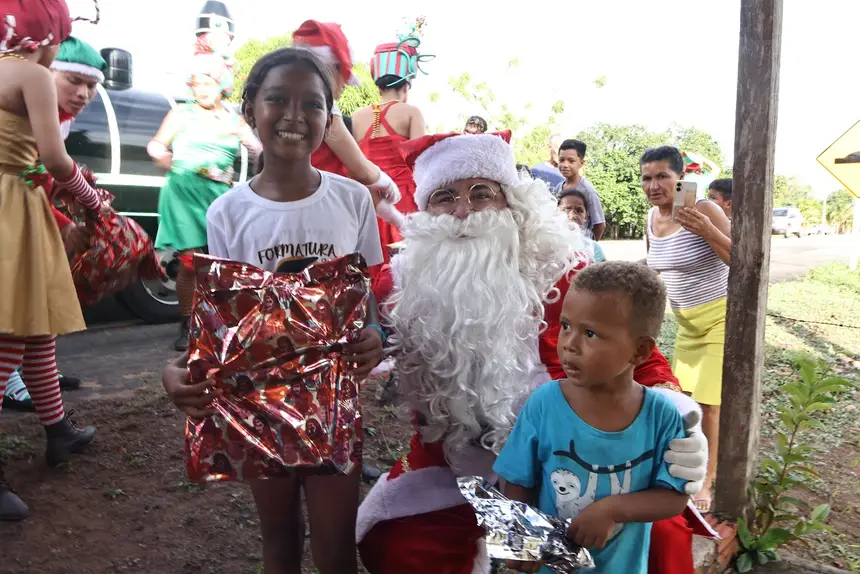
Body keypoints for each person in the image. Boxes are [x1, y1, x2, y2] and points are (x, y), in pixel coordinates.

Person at [356, 132, 708, 574]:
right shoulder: (404, 284)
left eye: (480, 193)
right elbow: (362, 335)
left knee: (662, 535)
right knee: (395, 539)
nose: (463, 212)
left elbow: (641, 358)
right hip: (457, 465)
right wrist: (370, 335)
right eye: (445, 198)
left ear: (512, 202)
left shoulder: (564, 271)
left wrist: (680, 422)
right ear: (426, 213)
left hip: (569, 462)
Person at [161, 48, 385, 573]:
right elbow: (220, 322)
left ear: (329, 118)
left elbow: (364, 294)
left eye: (313, 104)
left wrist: (374, 332)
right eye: (278, 99)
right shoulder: (228, 212)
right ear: (250, 110)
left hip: (334, 403)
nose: (294, 115)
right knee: (279, 537)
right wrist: (178, 371)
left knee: (336, 547)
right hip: (258, 403)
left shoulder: (353, 201)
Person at [495, 262, 689, 573]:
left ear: (640, 351)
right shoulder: (544, 405)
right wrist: (521, 540)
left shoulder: (660, 416)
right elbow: (518, 481)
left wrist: (612, 509)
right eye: (565, 326)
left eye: (590, 333)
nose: (569, 344)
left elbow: (673, 497)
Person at [0, 0, 104, 521]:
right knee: (8, 337)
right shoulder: (33, 75)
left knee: (36, 329)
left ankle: (58, 429)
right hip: (11, 210)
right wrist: (91, 200)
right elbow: (55, 157)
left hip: (16, 202)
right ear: (48, 36)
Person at [147, 50, 261, 352]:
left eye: (207, 83)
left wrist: (261, 156)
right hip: (182, 193)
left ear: (221, 84)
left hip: (219, 196)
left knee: (222, 262)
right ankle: (188, 325)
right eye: (196, 84)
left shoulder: (235, 120)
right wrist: (163, 157)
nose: (201, 90)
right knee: (190, 263)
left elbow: (259, 151)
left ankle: (220, 323)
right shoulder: (181, 114)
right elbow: (156, 145)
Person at [641, 146, 731, 512]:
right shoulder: (651, 218)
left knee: (709, 406)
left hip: (720, 318)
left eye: (662, 176)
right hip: (685, 326)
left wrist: (706, 230)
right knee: (683, 404)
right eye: (647, 178)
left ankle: (707, 481)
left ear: (681, 178)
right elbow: (652, 269)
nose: (654, 185)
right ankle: (683, 471)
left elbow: (741, 258)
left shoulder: (704, 209)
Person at [291, 20, 400, 207]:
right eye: (344, 77)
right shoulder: (323, 107)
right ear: (331, 69)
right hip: (319, 202)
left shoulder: (283, 101)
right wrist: (387, 184)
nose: (343, 88)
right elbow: (360, 169)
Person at [351, 27, 429, 262]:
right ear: (406, 86)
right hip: (403, 197)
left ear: (378, 87)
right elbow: (421, 162)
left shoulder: (357, 116)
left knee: (369, 262)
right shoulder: (411, 112)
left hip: (367, 199)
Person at [554, 138, 606, 241]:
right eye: (561, 160)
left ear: (582, 163)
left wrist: (590, 245)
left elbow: (600, 224)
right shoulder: (558, 188)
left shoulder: (588, 190)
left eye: (571, 161)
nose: (565, 165)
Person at [558, 187, 605, 263]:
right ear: (556, 213)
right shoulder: (549, 245)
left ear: (586, 217)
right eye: (566, 210)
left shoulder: (593, 248)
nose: (572, 216)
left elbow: (603, 269)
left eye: (579, 211)